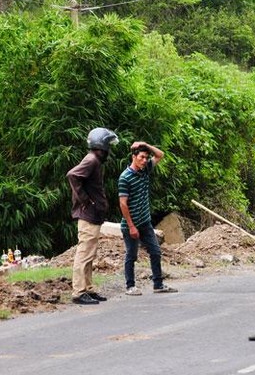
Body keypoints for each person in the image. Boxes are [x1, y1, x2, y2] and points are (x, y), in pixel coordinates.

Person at [66, 128, 118, 305]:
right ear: (101, 145)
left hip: (93, 216)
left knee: (90, 255)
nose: (109, 151)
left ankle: (88, 289)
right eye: (108, 146)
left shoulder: (94, 160)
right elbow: (72, 175)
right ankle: (79, 292)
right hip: (88, 215)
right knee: (84, 254)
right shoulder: (91, 160)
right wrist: (85, 200)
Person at [119, 141, 177, 295]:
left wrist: (145, 144)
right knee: (131, 255)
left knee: (156, 252)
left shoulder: (145, 170)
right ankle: (130, 286)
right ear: (134, 157)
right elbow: (123, 204)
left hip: (145, 222)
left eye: (146, 158)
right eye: (142, 157)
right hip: (130, 224)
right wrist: (131, 226)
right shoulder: (125, 177)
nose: (144, 160)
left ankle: (158, 284)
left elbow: (160, 155)